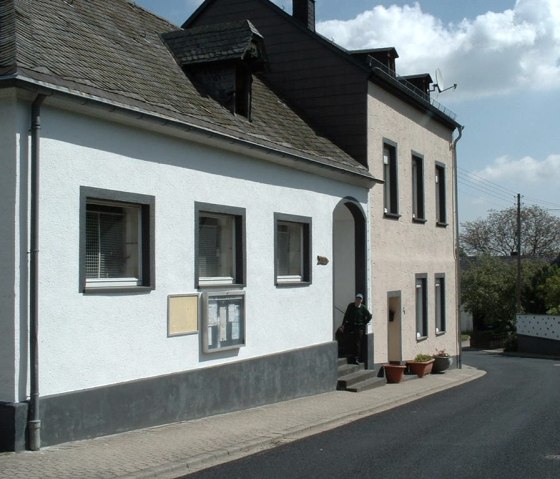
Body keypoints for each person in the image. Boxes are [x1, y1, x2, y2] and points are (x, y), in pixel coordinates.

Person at [341, 293, 372, 364]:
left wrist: (364, 322)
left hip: (359, 327)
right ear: (355, 299)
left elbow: (369, 316)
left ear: (362, 300)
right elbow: (346, 315)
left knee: (357, 343)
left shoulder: (363, 308)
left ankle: (356, 358)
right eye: (357, 299)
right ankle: (350, 356)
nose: (358, 300)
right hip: (351, 326)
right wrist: (343, 324)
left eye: (359, 299)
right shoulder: (351, 306)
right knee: (350, 341)